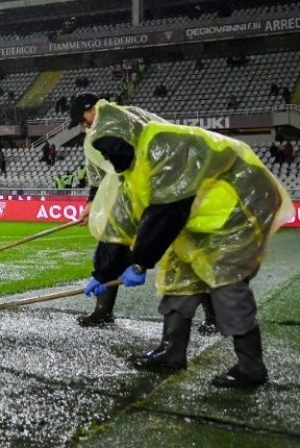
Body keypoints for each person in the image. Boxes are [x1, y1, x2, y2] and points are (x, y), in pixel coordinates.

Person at [71, 92, 292, 388]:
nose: (112, 159)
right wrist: (103, 272)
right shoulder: (131, 171)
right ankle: (171, 352)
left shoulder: (162, 145)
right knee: (177, 274)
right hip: (197, 214)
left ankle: (251, 366)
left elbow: (167, 213)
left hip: (240, 203)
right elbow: (119, 226)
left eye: (113, 152)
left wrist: (138, 264)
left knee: (225, 279)